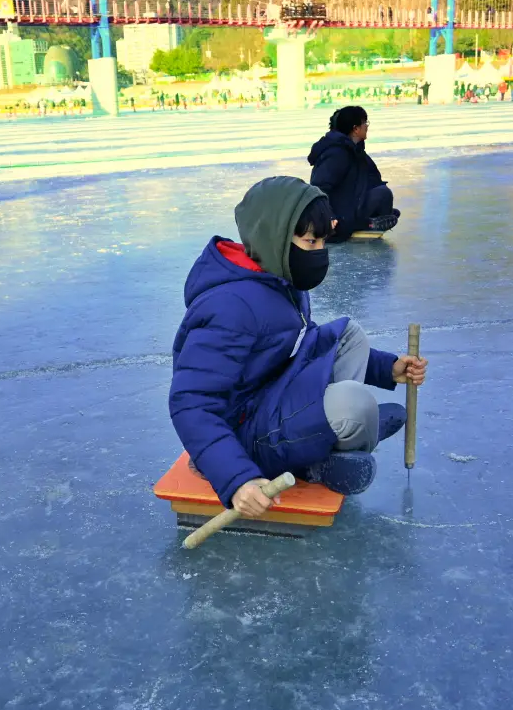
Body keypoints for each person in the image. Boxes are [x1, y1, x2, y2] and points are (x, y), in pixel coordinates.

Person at [168, 177, 428, 514]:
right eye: (310, 241)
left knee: (348, 335)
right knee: (355, 405)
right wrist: (235, 478)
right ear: (274, 238)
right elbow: (192, 402)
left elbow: (303, 341)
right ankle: (332, 447)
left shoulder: (278, 278)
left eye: (323, 241)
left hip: (271, 396)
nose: (319, 251)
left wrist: (387, 369)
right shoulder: (232, 306)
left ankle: (341, 435)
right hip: (243, 434)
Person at [308, 106, 398, 242]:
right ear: (356, 129)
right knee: (383, 194)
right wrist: (330, 217)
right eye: (365, 123)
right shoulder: (337, 153)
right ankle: (362, 225)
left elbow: (371, 176)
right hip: (338, 216)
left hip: (350, 203)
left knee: (388, 205)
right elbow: (319, 187)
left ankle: (365, 222)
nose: (367, 126)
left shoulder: (354, 149)